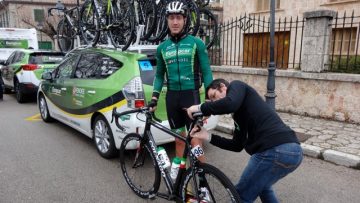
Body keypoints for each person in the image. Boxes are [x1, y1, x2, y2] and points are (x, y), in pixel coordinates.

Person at [187, 78, 303, 203]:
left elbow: (229, 103)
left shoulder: (237, 85)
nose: (214, 102)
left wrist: (199, 107)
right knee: (263, 188)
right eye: (212, 100)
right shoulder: (239, 114)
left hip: (274, 150)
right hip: (294, 153)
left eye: (214, 96)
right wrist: (207, 136)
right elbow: (237, 145)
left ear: (223, 87)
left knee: (239, 197)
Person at [148, 0, 213, 162]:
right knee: (178, 138)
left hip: (191, 97)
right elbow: (159, 75)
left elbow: (206, 72)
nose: (175, 22)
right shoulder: (162, 48)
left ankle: (202, 176)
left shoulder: (196, 43)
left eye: (178, 17)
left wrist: (209, 101)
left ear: (185, 20)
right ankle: (182, 177)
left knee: (195, 139)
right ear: (167, 20)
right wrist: (154, 98)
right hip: (172, 98)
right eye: (171, 18)